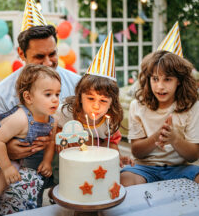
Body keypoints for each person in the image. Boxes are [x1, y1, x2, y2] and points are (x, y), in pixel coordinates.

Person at [0, 64, 61, 216]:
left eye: (57, 94)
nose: (55, 100)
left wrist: (46, 161)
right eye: (48, 94)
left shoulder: (52, 120)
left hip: (11, 151)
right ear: (28, 97)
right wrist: (6, 167)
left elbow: (51, 141)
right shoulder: (20, 119)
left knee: (9, 176)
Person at [0, 25, 81, 161]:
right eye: (39, 56)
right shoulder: (2, 93)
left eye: (52, 54)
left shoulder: (76, 84)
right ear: (21, 54)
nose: (48, 62)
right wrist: (8, 148)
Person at [120, 50, 199, 186]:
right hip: (144, 168)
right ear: (148, 79)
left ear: (179, 81)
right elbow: (137, 152)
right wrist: (156, 137)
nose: (160, 86)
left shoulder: (192, 106)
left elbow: (193, 156)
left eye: (167, 79)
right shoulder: (137, 106)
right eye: (155, 79)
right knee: (123, 180)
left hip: (180, 168)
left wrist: (174, 139)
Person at [55, 74, 132, 167]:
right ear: (80, 98)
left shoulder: (110, 122)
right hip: (66, 166)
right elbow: (50, 123)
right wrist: (59, 132)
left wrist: (118, 157)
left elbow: (111, 143)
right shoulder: (66, 113)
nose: (96, 106)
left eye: (103, 100)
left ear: (111, 103)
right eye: (91, 98)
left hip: (93, 166)